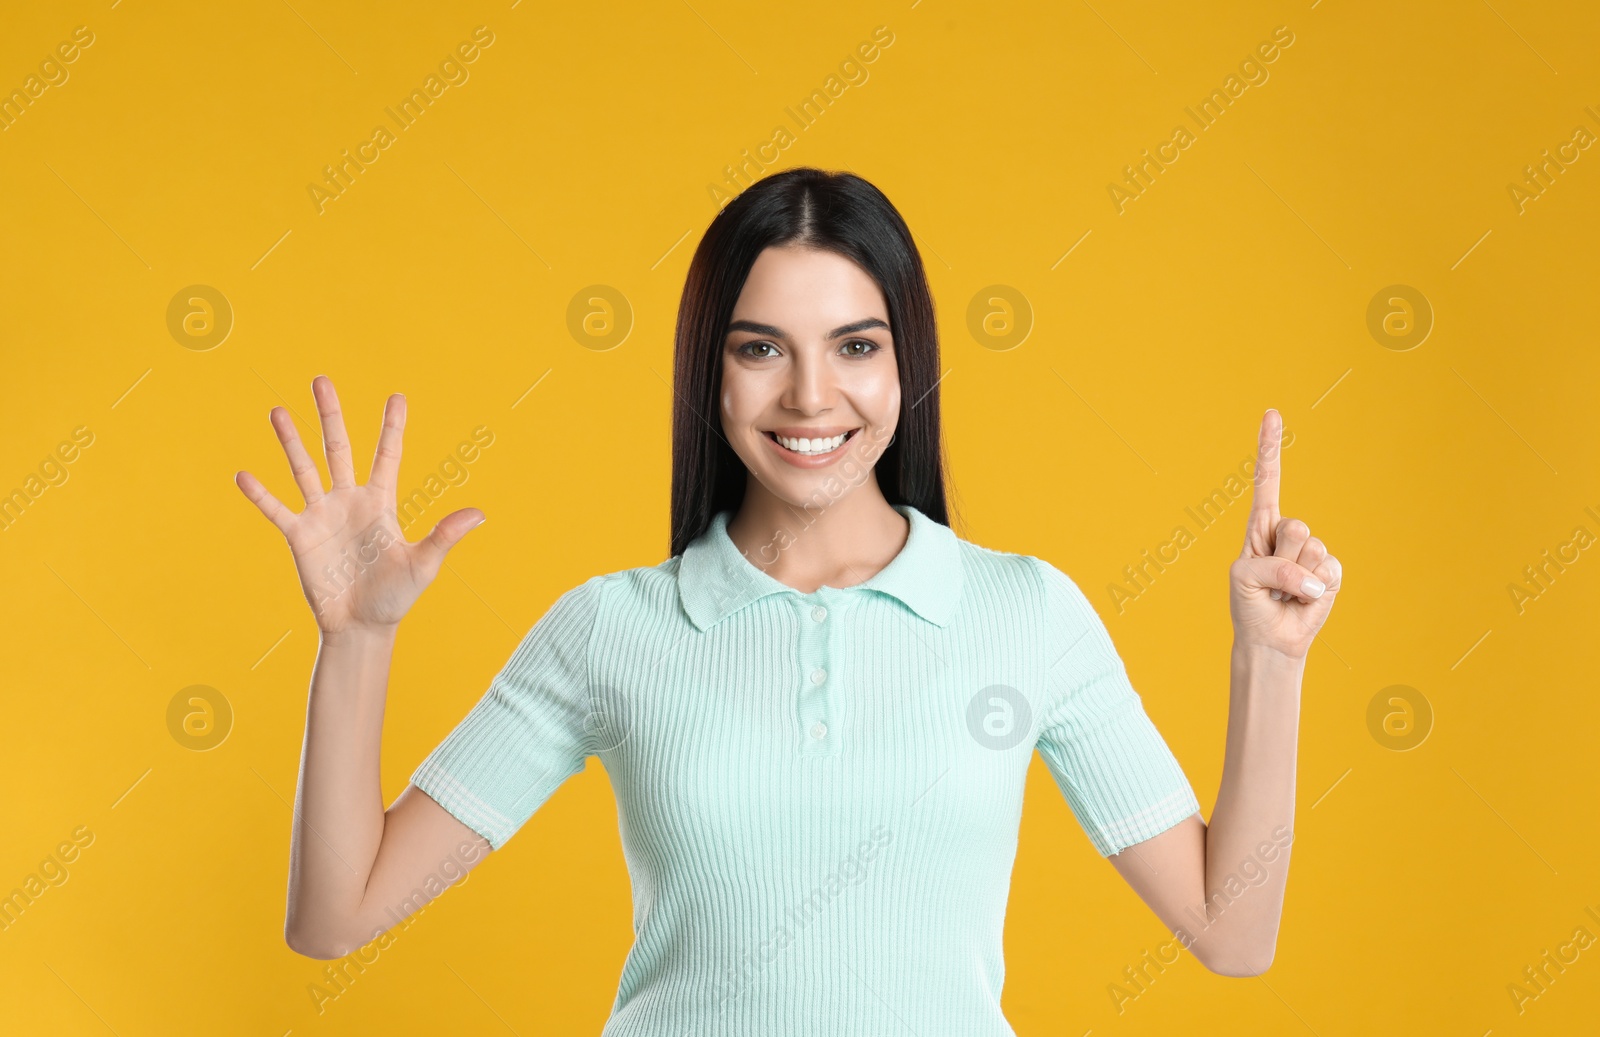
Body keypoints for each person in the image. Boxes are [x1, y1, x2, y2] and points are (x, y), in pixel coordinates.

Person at [236, 166, 1341, 1034]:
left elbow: (1229, 928)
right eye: (760, 349)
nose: (811, 396)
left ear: (904, 363)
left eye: (854, 346)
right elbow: (337, 916)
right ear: (706, 375)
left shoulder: (1024, 614)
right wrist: (359, 636)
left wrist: (1270, 660)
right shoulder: (612, 630)